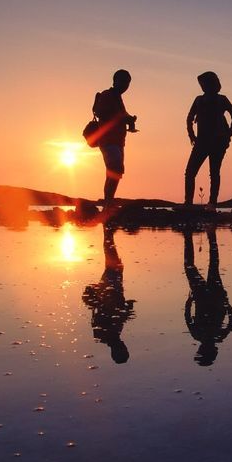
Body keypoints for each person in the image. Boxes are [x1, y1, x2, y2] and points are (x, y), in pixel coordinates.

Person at [184, 71, 232, 208]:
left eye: (204, 84)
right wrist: (191, 135)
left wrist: (229, 133)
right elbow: (189, 118)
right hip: (201, 141)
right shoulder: (199, 100)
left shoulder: (222, 99)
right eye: (201, 85)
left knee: (214, 172)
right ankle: (188, 203)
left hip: (218, 141)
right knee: (190, 172)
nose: (203, 87)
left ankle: (212, 203)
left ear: (212, 84)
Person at [182, 225, 232, 365]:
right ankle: (189, 235)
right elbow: (187, 316)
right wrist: (189, 301)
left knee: (213, 264)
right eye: (200, 351)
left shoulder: (217, 336)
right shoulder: (200, 335)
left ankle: (209, 236)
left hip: (214, 297)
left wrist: (227, 305)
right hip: (203, 296)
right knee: (191, 266)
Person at [82, 223, 135, 363]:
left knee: (112, 260)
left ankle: (108, 226)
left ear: (118, 350)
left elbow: (106, 308)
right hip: (111, 286)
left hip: (110, 286)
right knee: (112, 259)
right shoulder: (110, 334)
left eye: (124, 349)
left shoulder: (107, 333)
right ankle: (108, 228)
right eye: (126, 349)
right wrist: (127, 309)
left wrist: (126, 309)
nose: (125, 346)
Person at [92, 70, 138, 210]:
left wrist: (130, 119)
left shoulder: (118, 98)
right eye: (124, 82)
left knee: (115, 172)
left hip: (118, 141)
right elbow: (101, 112)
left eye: (128, 83)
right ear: (115, 80)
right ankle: (108, 201)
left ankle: (109, 201)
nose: (126, 85)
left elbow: (122, 115)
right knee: (114, 169)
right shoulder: (107, 95)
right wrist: (122, 118)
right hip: (108, 140)